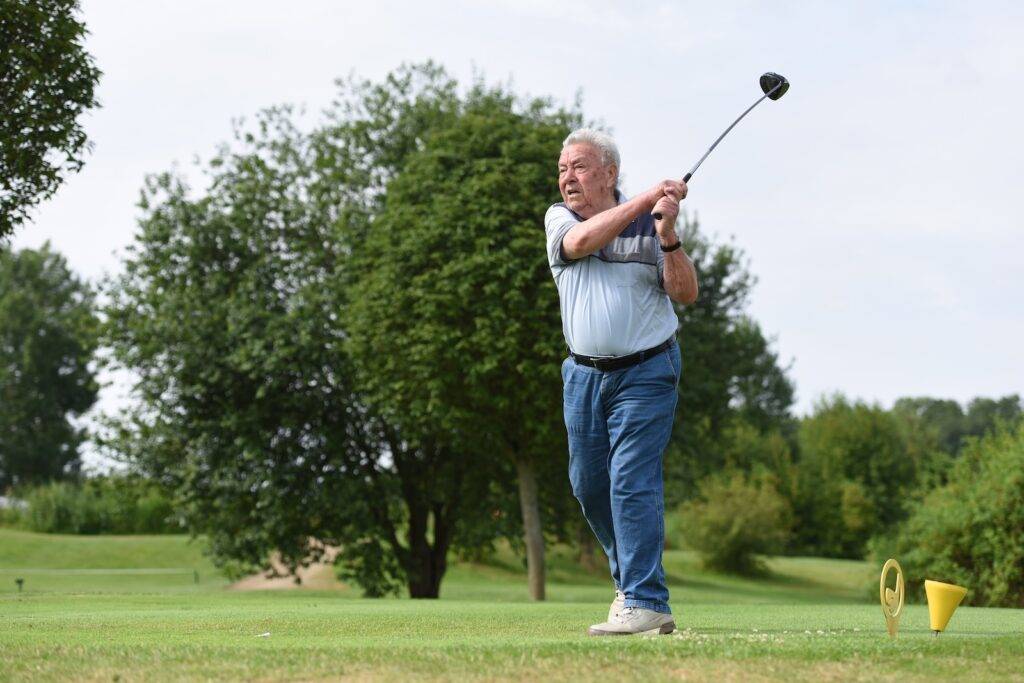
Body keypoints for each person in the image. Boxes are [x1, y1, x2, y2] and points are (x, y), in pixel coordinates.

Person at [544, 128, 698, 636]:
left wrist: (668, 235)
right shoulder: (559, 219)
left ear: (610, 173)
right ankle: (633, 585)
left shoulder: (650, 229)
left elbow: (686, 292)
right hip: (583, 376)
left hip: (647, 372)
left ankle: (646, 600)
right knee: (589, 487)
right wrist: (648, 198)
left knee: (631, 480)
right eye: (564, 168)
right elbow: (584, 241)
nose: (568, 177)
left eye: (580, 167)